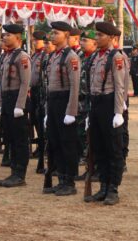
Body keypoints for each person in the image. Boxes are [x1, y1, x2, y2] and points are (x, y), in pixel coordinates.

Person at [83, 22, 128, 205]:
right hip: (96, 104)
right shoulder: (94, 57)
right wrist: (88, 113)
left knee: (113, 149)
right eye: (96, 35)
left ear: (111, 38)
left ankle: (113, 189)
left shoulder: (116, 57)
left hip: (110, 104)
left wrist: (119, 112)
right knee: (98, 147)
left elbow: (120, 86)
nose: (97, 38)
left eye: (101, 35)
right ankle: (103, 185)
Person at [43, 21, 80, 196]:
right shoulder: (54, 56)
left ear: (66, 35)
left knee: (67, 143)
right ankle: (61, 178)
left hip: (65, 101)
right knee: (55, 142)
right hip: (53, 101)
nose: (52, 36)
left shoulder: (70, 56)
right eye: (52, 33)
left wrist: (71, 111)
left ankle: (70, 182)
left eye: (56, 33)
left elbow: (75, 86)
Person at [0, 24, 31, 187]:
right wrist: (1, 103)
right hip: (8, 99)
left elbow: (25, 82)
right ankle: (13, 172)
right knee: (9, 137)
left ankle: (19, 174)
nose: (4, 37)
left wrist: (20, 105)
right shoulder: (6, 56)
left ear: (18, 38)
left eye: (8, 35)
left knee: (19, 139)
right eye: (4, 34)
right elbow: (1, 83)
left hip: (17, 99)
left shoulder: (22, 56)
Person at [75, 29, 99, 182]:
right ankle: (88, 167)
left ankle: (95, 169)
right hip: (80, 102)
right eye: (81, 40)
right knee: (82, 136)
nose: (81, 43)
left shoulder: (98, 58)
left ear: (94, 43)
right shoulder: (79, 56)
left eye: (85, 41)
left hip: (92, 102)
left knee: (94, 137)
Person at [29, 31, 47, 173]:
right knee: (35, 120)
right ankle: (40, 146)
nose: (34, 42)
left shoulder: (44, 56)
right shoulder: (34, 55)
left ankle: (43, 146)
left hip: (42, 91)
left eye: (37, 40)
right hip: (33, 91)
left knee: (42, 122)